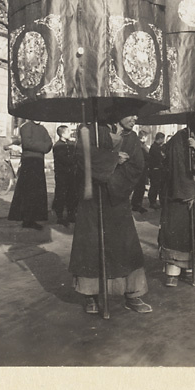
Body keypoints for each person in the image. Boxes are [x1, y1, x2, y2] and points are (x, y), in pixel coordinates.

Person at [69, 113, 152, 314]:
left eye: (136, 114)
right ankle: (90, 295)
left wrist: (112, 181)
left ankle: (132, 294)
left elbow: (137, 165)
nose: (135, 118)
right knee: (90, 248)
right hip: (93, 203)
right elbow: (82, 155)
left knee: (126, 247)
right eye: (130, 114)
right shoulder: (91, 130)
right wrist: (113, 159)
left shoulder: (131, 138)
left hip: (117, 200)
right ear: (118, 112)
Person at [158, 113, 195, 287]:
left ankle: (190, 270)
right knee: (176, 233)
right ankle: (172, 272)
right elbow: (176, 168)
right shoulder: (178, 140)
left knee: (192, 233)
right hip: (178, 194)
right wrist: (187, 192)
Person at [8, 120, 53, 230]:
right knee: (27, 191)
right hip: (28, 163)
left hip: (38, 163)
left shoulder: (43, 129)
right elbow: (27, 143)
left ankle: (33, 219)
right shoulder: (26, 127)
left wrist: (39, 146)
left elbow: (49, 144)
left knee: (37, 192)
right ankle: (26, 219)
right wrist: (42, 146)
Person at [52, 125, 77, 225]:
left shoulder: (71, 144)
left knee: (72, 194)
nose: (70, 133)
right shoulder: (58, 146)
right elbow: (63, 159)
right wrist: (74, 160)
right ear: (62, 134)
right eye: (68, 132)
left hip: (71, 173)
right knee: (61, 194)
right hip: (61, 174)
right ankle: (60, 216)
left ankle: (71, 214)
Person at [131, 130, 150, 213]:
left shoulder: (140, 145)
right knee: (139, 188)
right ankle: (137, 205)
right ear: (143, 137)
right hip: (140, 170)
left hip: (141, 169)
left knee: (140, 188)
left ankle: (137, 204)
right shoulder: (140, 146)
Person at [147, 131, 166, 209]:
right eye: (163, 139)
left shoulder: (156, 147)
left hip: (157, 170)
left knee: (156, 186)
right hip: (155, 170)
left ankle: (154, 202)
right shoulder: (155, 148)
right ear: (160, 139)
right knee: (154, 186)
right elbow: (160, 158)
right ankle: (152, 202)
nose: (163, 141)